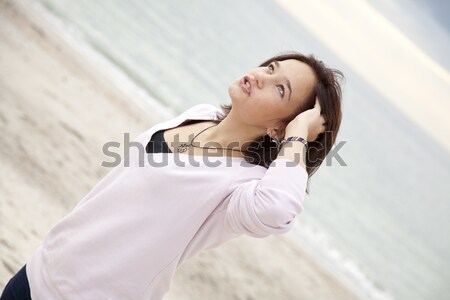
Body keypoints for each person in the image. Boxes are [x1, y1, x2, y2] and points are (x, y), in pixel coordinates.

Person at [1, 51, 343, 300]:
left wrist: (299, 134)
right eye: (271, 67)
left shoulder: (241, 186)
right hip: (40, 269)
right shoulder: (201, 114)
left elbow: (277, 212)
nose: (262, 76)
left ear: (279, 127)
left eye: (280, 88)